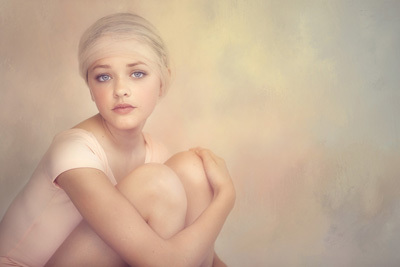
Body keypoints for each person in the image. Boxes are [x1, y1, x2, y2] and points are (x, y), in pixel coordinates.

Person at [0, 13, 235, 266]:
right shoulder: (73, 152)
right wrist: (225, 198)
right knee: (158, 183)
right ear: (91, 88)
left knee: (191, 167)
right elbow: (167, 261)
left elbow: (200, 257)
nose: (120, 89)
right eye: (104, 76)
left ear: (162, 82)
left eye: (137, 73)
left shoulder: (155, 153)